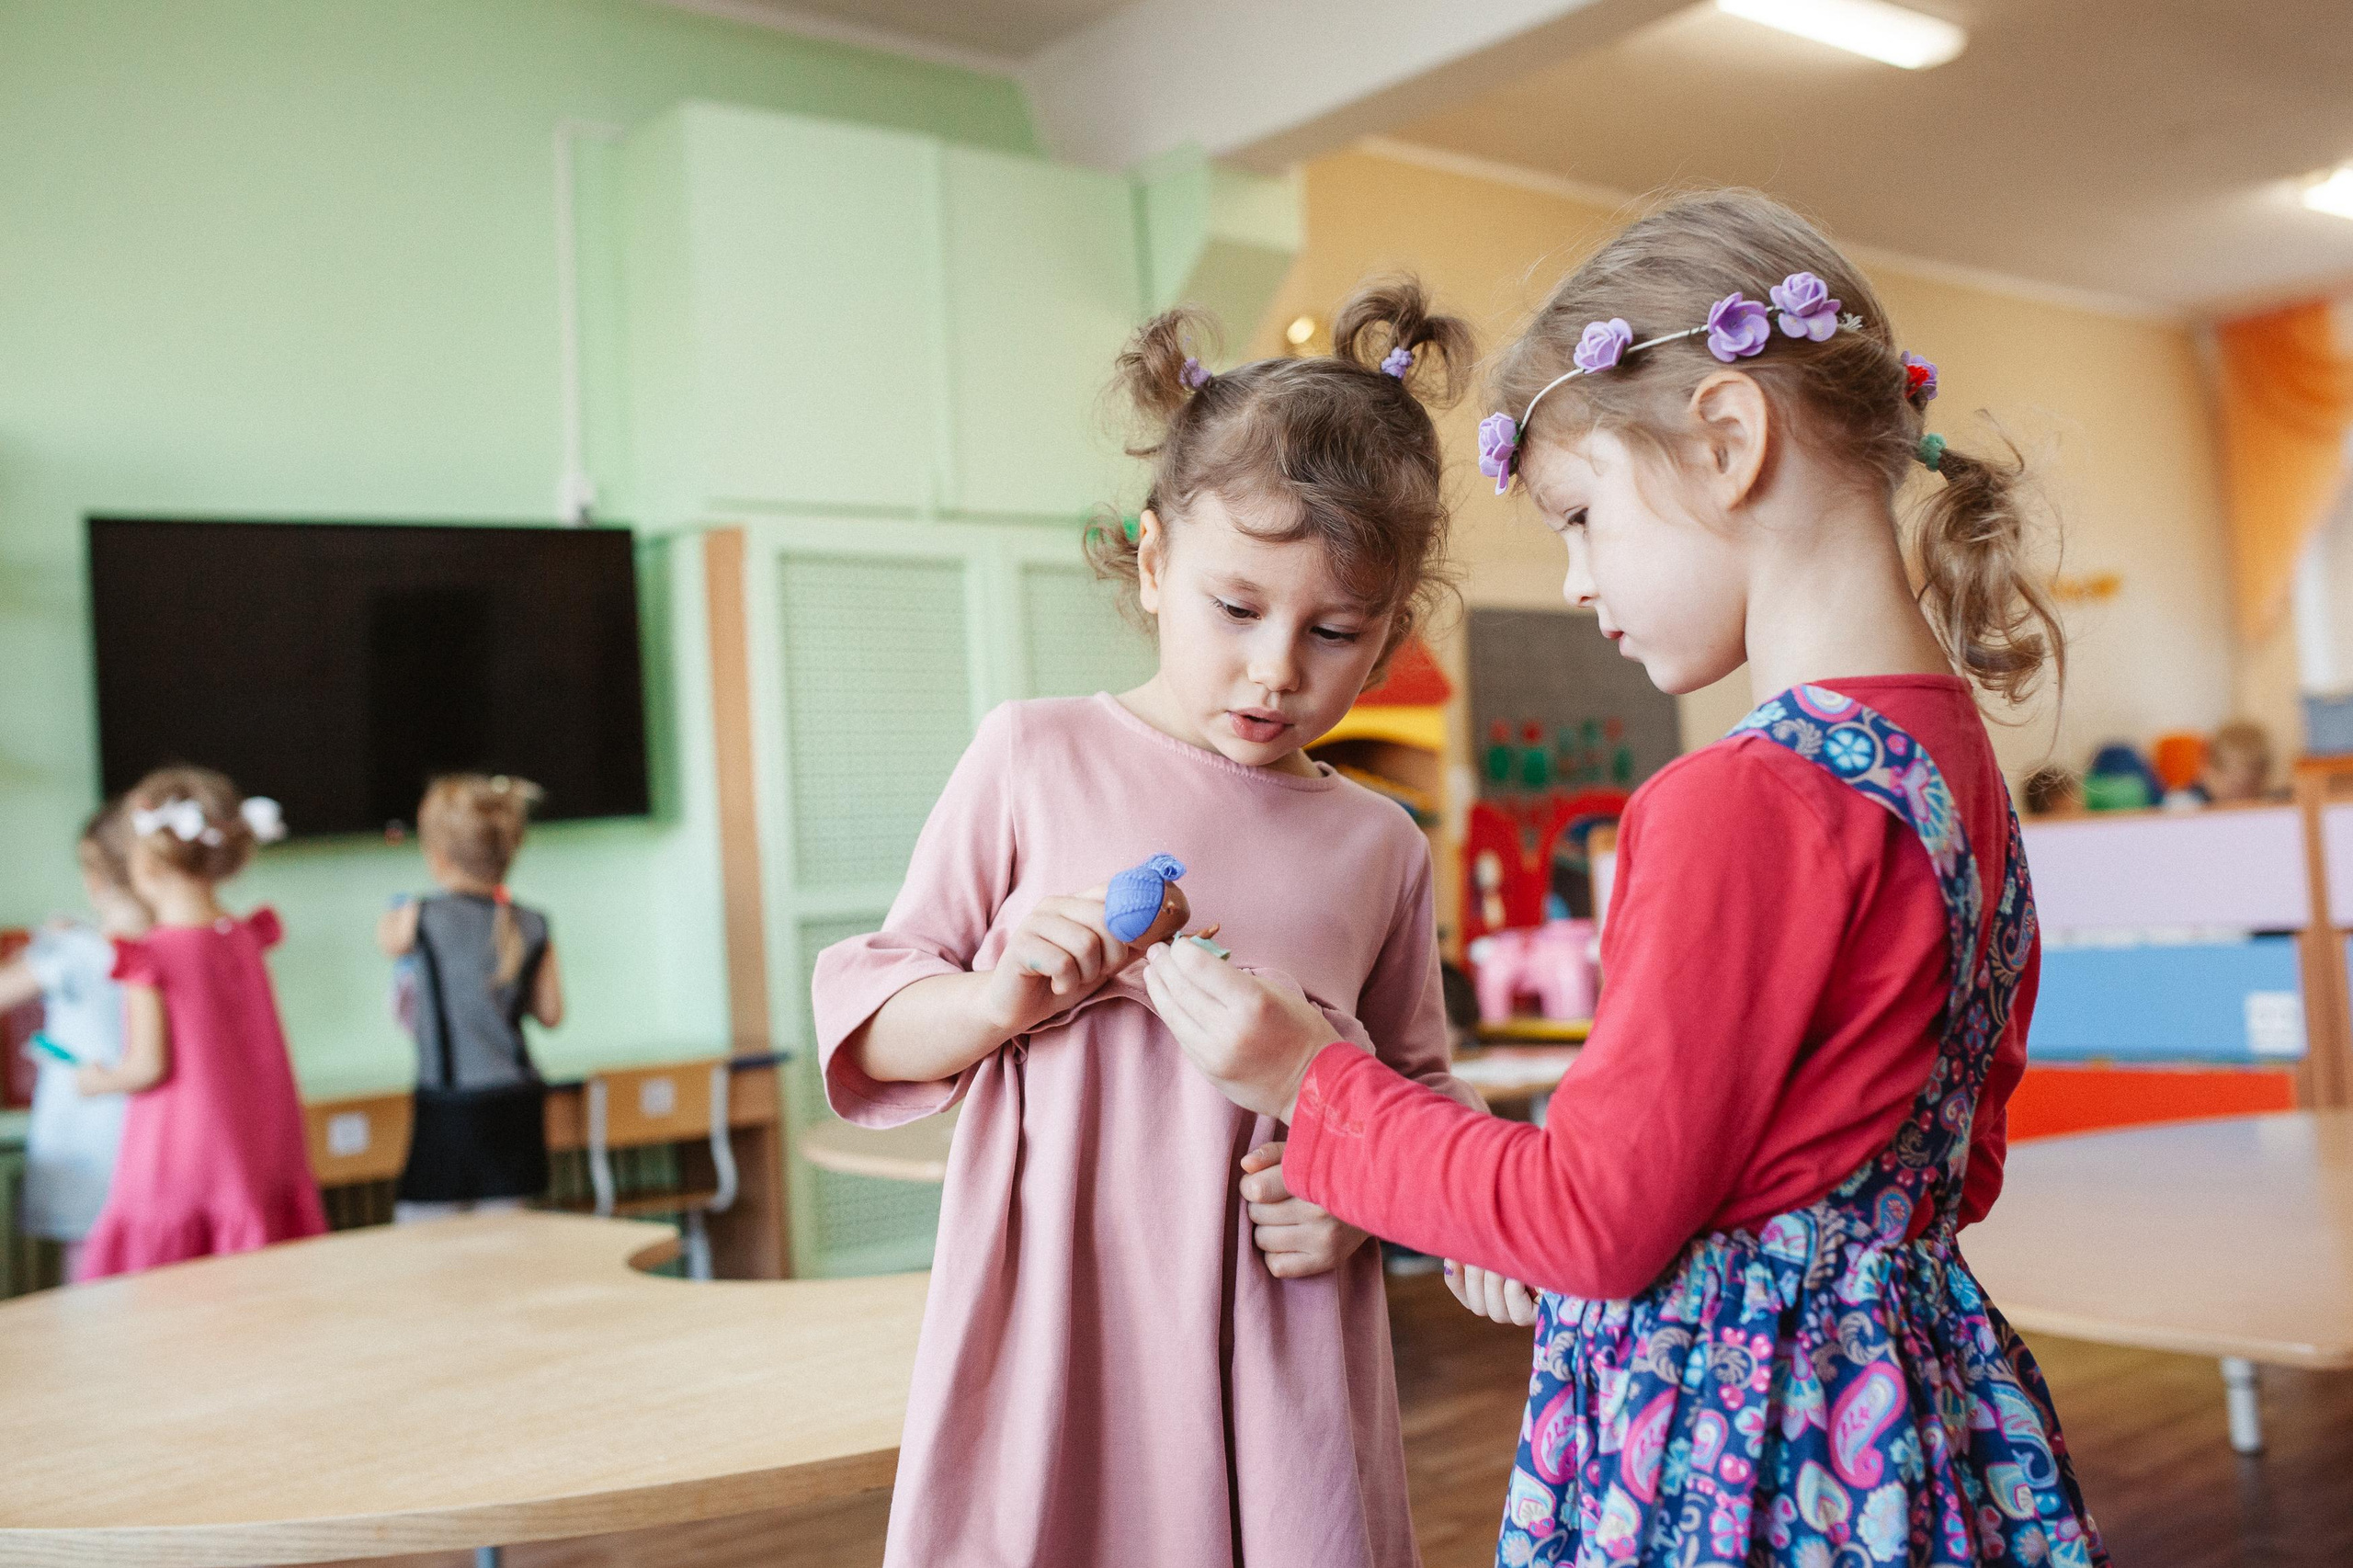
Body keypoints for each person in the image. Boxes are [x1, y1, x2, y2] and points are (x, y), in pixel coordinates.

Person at [1144, 191, 2109, 1567]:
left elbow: (1590, 1219)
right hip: (1910, 1417)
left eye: (1584, 516)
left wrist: (1308, 1077)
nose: (1583, 583)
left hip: (1747, 1452)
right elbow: (1948, 1167)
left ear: (1729, 439)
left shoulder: (1739, 798)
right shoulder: (1952, 769)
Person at [812, 281, 1487, 1567]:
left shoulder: (1380, 843)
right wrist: (997, 998)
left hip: (1275, 1337)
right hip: (1059, 1330)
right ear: (1155, 557)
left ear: (1390, 630)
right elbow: (872, 1019)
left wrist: (1358, 1202)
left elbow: (1422, 1112)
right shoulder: (1031, 752)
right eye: (1237, 608)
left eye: (1335, 631)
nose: (1277, 667)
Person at [76, 767, 324, 1278]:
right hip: (259, 1153)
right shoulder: (246, 938)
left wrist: (97, 1080)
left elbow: (147, 1066)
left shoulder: (147, 956)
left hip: (180, 1161)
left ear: (143, 859)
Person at [378, 774, 563, 1221]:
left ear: (438, 857)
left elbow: (387, 942)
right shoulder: (533, 923)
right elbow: (552, 1014)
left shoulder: (419, 917)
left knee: (428, 1242)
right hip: (517, 1104)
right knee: (507, 1245)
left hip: (450, 1104)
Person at [0, 801, 151, 1280]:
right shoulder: (167, 943)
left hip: (88, 1141)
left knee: (90, 1280)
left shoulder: (72, 949)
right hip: (155, 1145)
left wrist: (36, 950)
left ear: (95, 876)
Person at [2200, 719, 2273, 804]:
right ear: (2209, 772)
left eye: (2251, 788)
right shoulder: (2191, 806)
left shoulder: (2267, 805)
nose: (2242, 799)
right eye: (2236, 786)